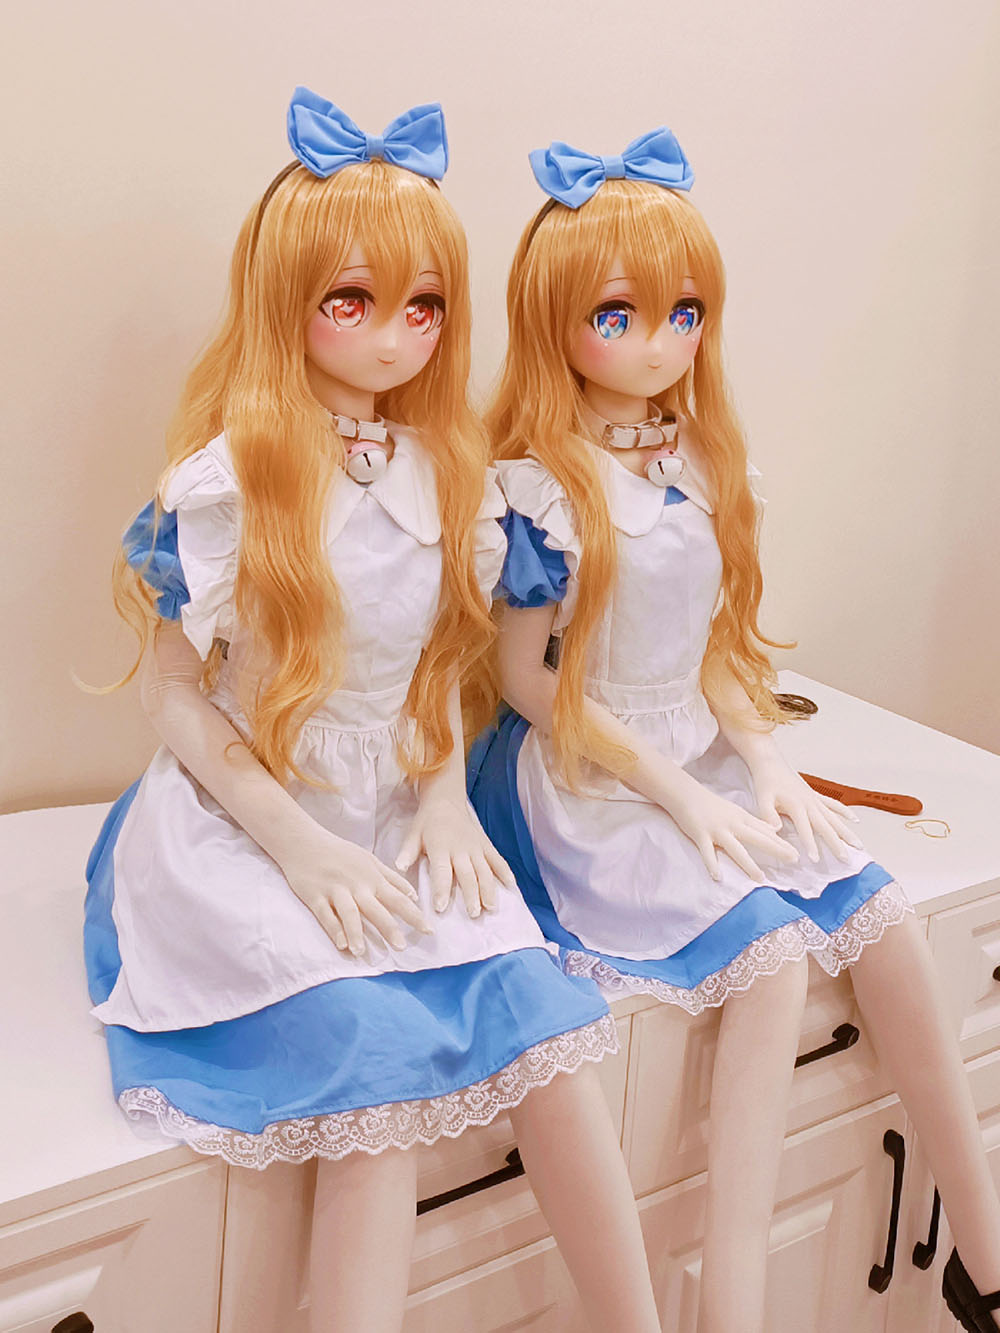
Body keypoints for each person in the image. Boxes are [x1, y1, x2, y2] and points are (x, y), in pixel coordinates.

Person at [83, 91, 660, 1333]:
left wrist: (444, 794)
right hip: (248, 815)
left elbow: (436, 663)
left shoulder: (453, 475)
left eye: (425, 306)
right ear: (287, 298)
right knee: (374, 1068)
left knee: (541, 1025)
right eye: (354, 301)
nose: (397, 337)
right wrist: (298, 844)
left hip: (400, 802)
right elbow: (173, 697)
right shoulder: (229, 482)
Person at [468, 125, 1000, 1333]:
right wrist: (676, 791)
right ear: (553, 321)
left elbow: (713, 650)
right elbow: (529, 685)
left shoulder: (703, 465)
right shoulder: (537, 490)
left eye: (685, 313)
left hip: (699, 752)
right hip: (589, 778)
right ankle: (733, 1306)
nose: (659, 344)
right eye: (618, 316)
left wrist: (762, 760)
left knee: (883, 914)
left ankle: (985, 1252)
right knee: (767, 960)